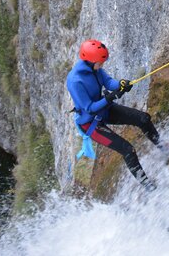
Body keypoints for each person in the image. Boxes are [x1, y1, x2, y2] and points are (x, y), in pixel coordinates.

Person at [66, 39, 161, 190]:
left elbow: (108, 82)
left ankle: (163, 146)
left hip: (104, 110)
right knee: (128, 150)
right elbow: (89, 108)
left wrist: (121, 84)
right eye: (100, 63)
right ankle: (148, 186)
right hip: (90, 123)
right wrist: (109, 98)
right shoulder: (75, 81)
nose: (102, 65)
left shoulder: (95, 68)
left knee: (143, 119)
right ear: (90, 61)